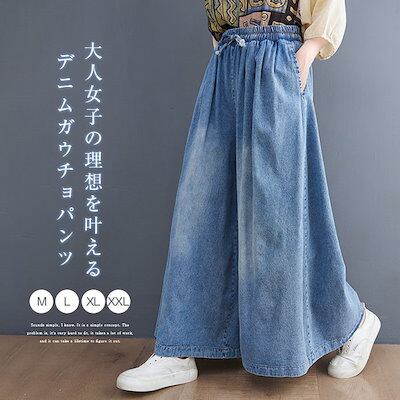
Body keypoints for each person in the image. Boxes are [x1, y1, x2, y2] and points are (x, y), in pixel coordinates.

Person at [116, 0, 381, 392]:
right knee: (200, 205)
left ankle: (353, 324)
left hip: (278, 58)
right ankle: (177, 347)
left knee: (275, 215)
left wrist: (306, 54)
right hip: (227, 59)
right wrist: (223, 48)